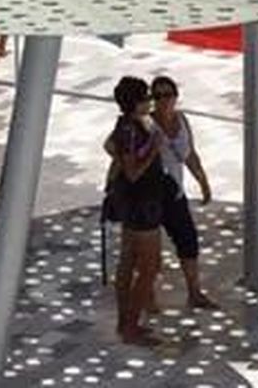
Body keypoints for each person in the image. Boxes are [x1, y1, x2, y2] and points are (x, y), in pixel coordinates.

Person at [106, 76, 164, 346]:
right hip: (142, 202)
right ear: (136, 102)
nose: (150, 102)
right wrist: (154, 149)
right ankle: (130, 326)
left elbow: (109, 146)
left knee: (128, 260)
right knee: (149, 267)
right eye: (147, 97)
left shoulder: (126, 125)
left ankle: (124, 321)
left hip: (133, 201)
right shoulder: (132, 129)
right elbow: (132, 172)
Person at [149, 76, 216, 310]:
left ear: (175, 96)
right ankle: (147, 297)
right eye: (157, 96)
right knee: (150, 249)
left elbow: (190, 154)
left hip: (174, 192)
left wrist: (203, 181)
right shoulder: (147, 124)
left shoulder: (182, 119)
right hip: (152, 196)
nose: (163, 100)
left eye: (167, 94)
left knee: (188, 242)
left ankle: (194, 293)